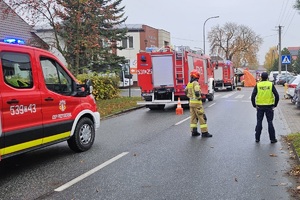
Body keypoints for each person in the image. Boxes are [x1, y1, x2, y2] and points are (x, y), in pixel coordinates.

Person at [251, 72, 279, 143]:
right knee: (270, 122)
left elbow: (253, 96)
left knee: (259, 122)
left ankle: (257, 138)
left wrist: (254, 105)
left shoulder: (258, 85)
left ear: (261, 77)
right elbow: (277, 95)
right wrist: (275, 104)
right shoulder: (270, 84)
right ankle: (272, 139)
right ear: (267, 77)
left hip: (260, 107)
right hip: (269, 107)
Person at [185, 69, 212, 137]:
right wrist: (199, 96)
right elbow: (197, 92)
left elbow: (185, 91)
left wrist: (189, 96)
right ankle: (204, 132)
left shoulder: (189, 83)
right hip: (197, 103)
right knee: (202, 117)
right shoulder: (195, 83)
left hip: (191, 103)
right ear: (196, 76)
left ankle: (194, 131)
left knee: (193, 118)